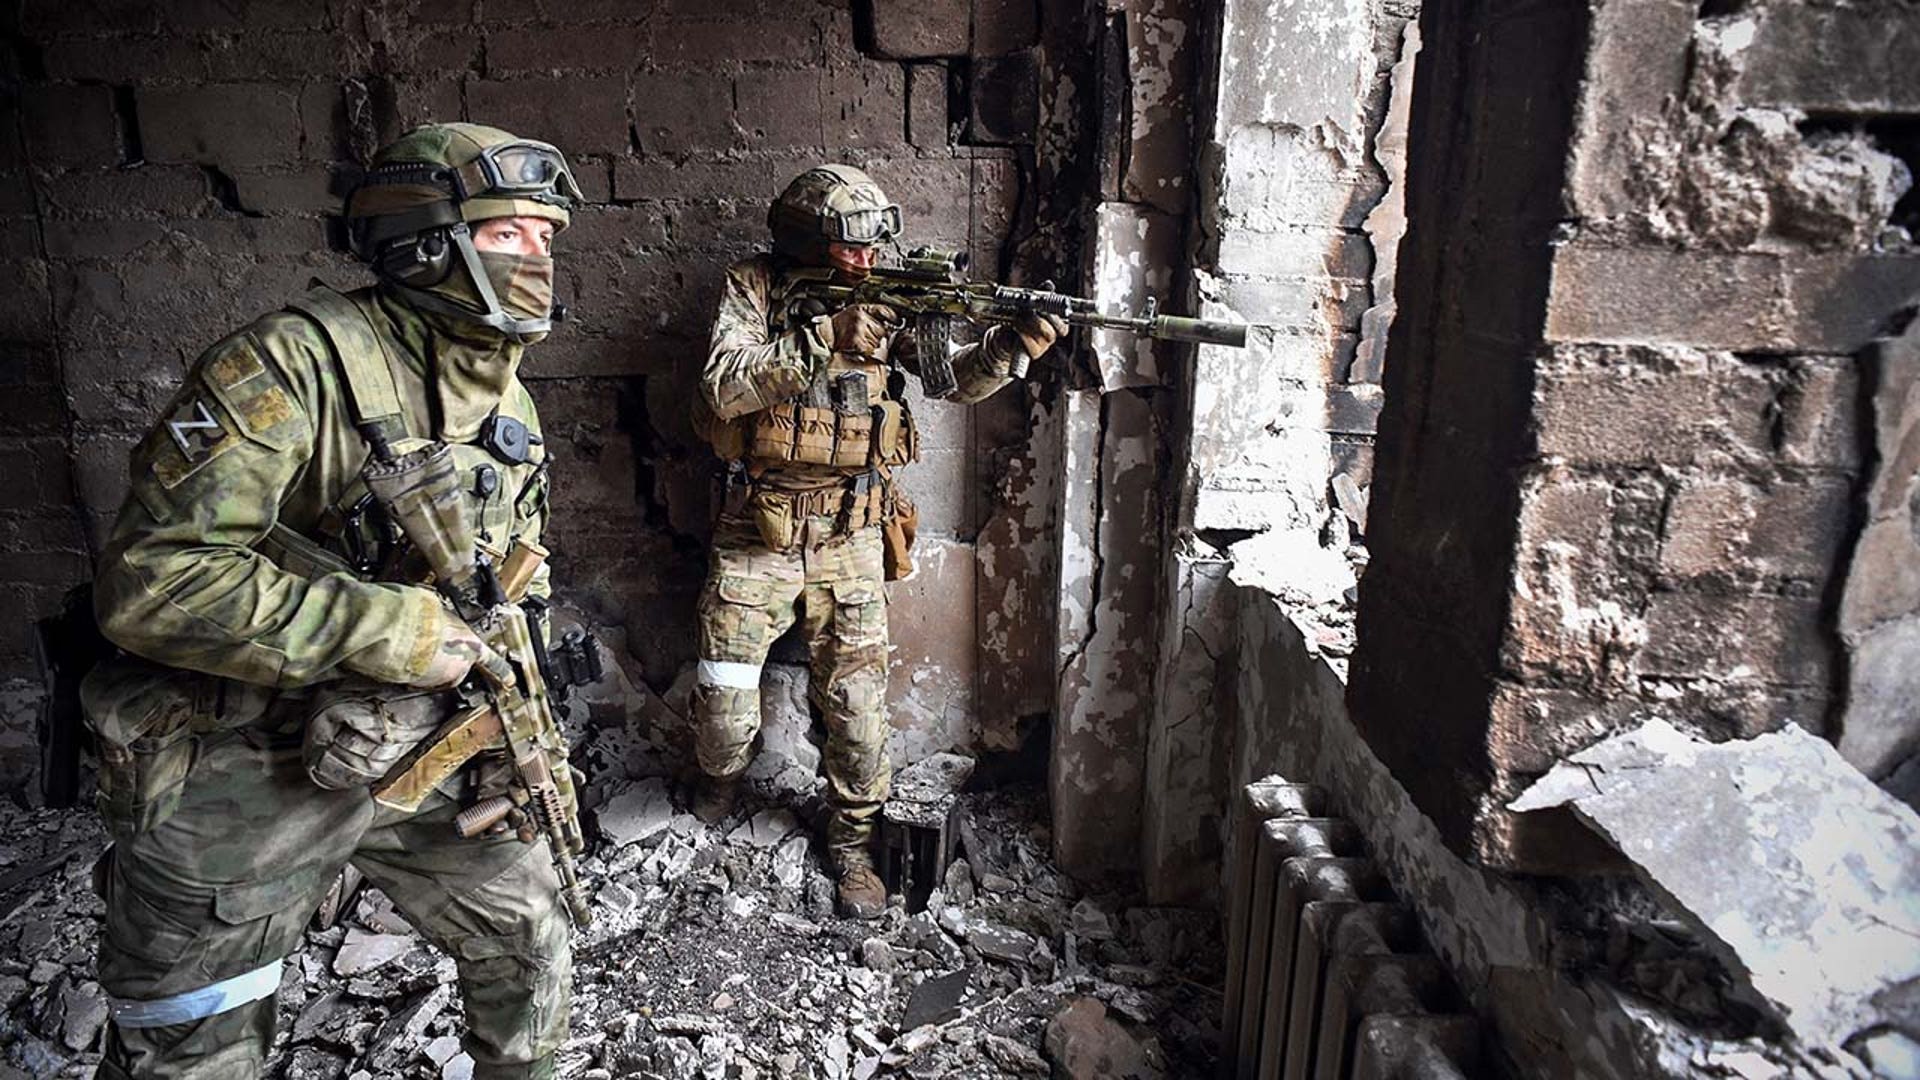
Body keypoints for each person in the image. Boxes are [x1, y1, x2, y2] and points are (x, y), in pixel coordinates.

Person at [85, 122, 581, 1079]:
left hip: (424, 742)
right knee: (194, 1038)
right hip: (243, 758)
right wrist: (384, 627)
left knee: (531, 948)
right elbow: (153, 581)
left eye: (547, 237)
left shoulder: (508, 401)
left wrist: (517, 714)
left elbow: (522, 565)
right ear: (423, 240)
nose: (538, 259)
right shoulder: (286, 368)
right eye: (508, 233)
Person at [689, 164, 1067, 919]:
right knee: (723, 714)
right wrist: (823, 336)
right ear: (805, 243)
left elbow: (953, 381)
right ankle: (716, 782)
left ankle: (853, 845)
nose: (866, 264)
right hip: (755, 527)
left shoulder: (891, 295)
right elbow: (724, 386)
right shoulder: (756, 288)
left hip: (852, 533)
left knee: (860, 715)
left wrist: (1013, 347)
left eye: (871, 249)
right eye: (848, 251)